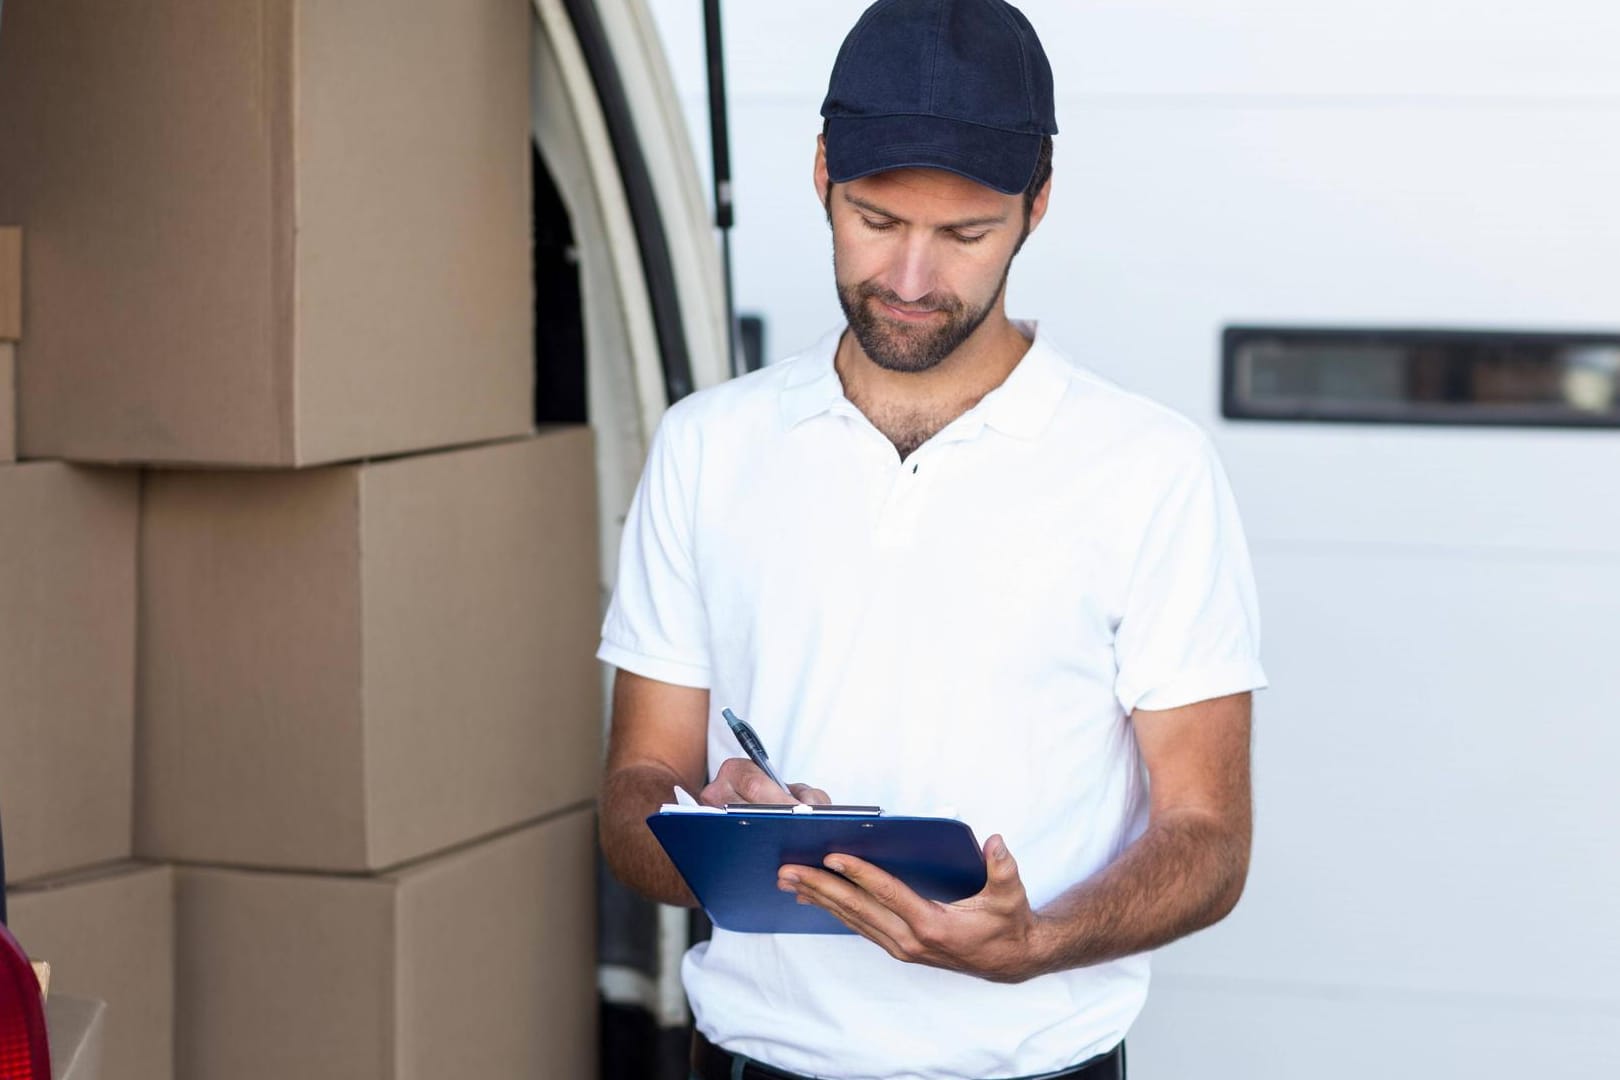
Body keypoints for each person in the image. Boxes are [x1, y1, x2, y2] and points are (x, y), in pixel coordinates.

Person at [596, 1, 1267, 1077]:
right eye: (875, 220)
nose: (910, 281)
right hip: (755, 1061)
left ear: (1037, 204)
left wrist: (1036, 943)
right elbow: (633, 795)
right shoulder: (707, 449)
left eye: (964, 235)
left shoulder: (1149, 468)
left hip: (1034, 1064)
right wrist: (714, 832)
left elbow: (1209, 841)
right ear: (822, 171)